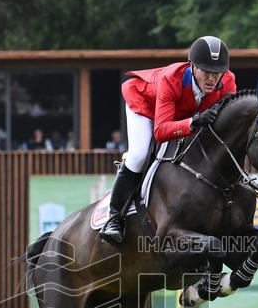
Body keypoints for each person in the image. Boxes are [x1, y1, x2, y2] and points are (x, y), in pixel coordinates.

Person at [98, 36, 237, 245]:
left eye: (216, 73)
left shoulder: (227, 81)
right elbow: (161, 131)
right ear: (193, 67)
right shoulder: (171, 79)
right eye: (206, 72)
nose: (212, 79)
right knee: (139, 155)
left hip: (183, 112)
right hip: (144, 104)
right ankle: (114, 217)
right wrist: (193, 122)